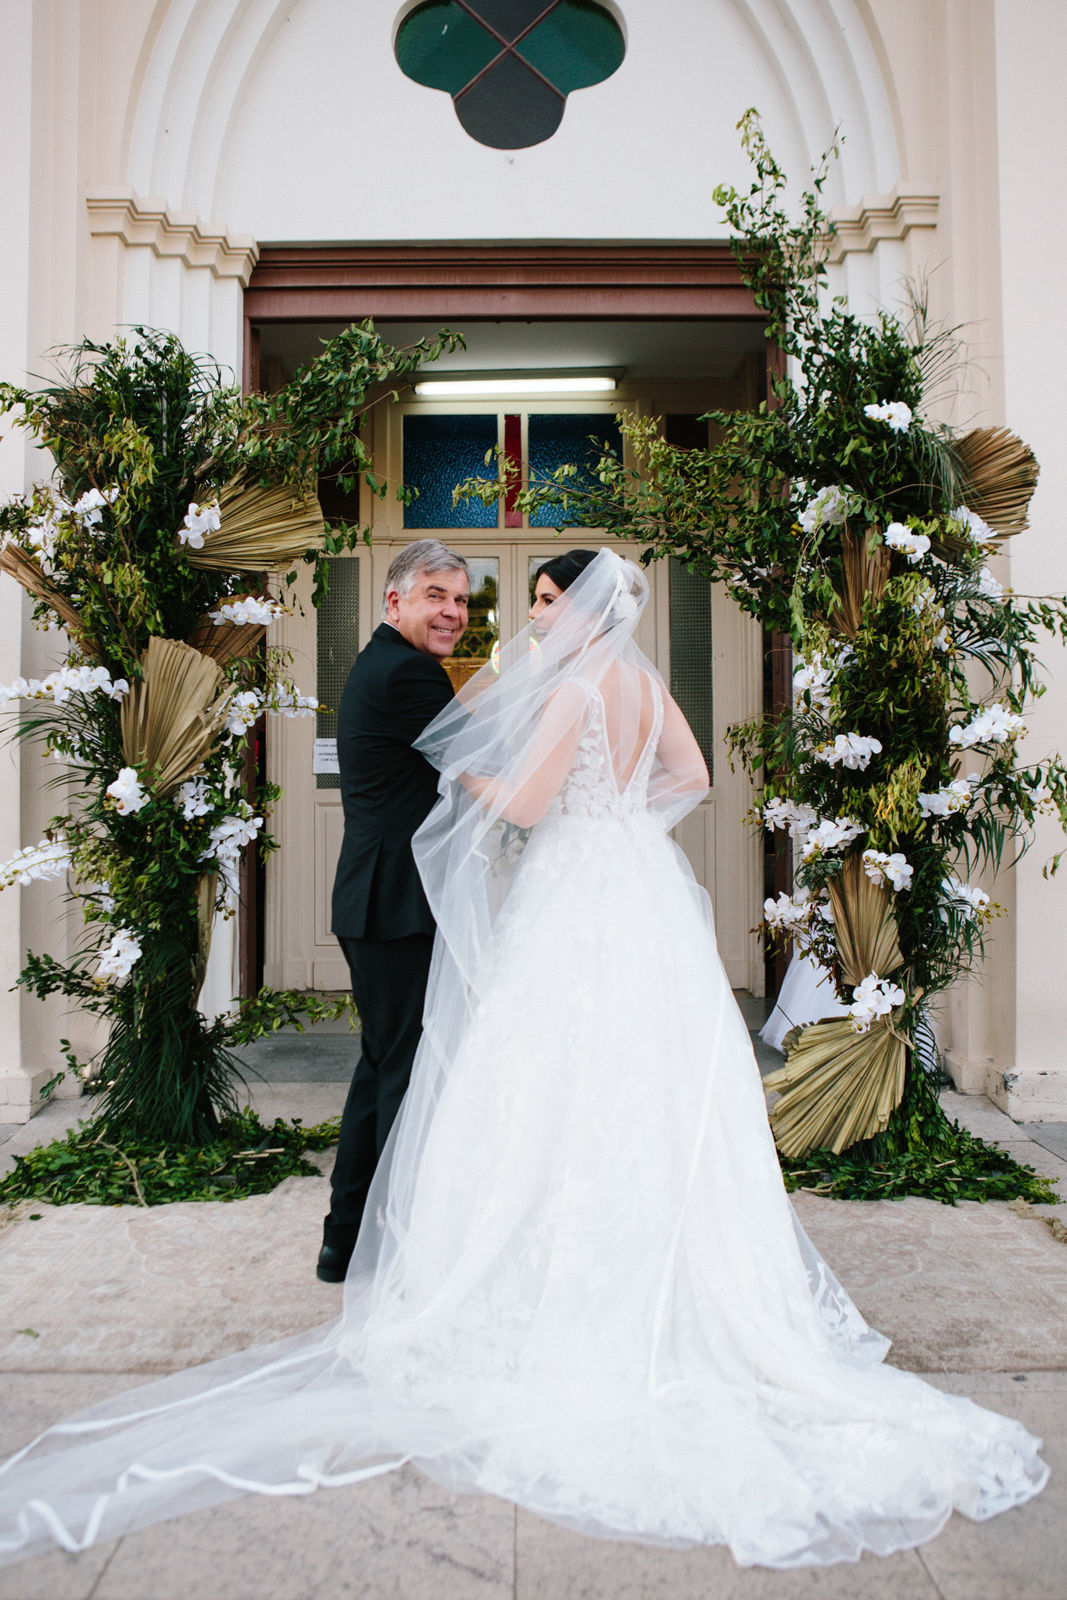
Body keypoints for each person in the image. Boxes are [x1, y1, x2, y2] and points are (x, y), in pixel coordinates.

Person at [0, 548, 1047, 1571]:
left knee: (552, 1075)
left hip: (572, 900)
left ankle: (534, 1277)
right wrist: (622, 826)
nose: (531, 618)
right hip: (638, 890)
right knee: (648, 1077)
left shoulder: (573, 691)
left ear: (583, 609)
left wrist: (472, 775)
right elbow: (690, 773)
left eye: (543, 602)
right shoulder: (640, 681)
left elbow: (532, 805)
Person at [319, 540, 469, 1281]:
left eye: (462, 600)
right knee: (401, 1073)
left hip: (380, 897)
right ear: (395, 602)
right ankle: (383, 1245)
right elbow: (483, 762)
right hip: (395, 901)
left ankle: (347, 1241)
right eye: (436, 595)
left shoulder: (393, 663)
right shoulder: (410, 674)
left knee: (386, 1065)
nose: (452, 612)